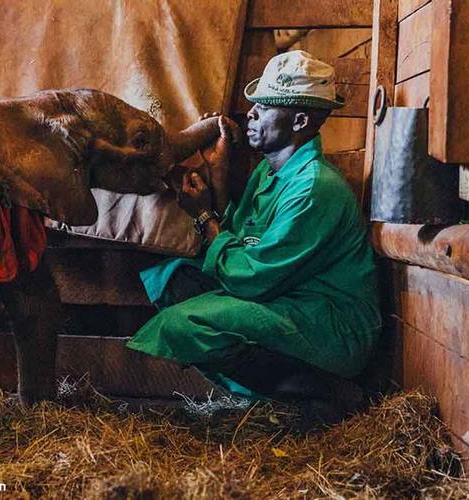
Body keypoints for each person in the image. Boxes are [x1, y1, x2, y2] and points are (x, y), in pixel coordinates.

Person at [126, 50, 381, 426]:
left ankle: (323, 392)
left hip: (331, 325)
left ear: (299, 120)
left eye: (266, 105)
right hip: (288, 297)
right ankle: (297, 392)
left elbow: (250, 276)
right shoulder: (269, 170)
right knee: (177, 280)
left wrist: (201, 213)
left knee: (189, 324)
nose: (253, 112)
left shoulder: (312, 188)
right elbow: (243, 239)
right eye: (255, 102)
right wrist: (219, 174)